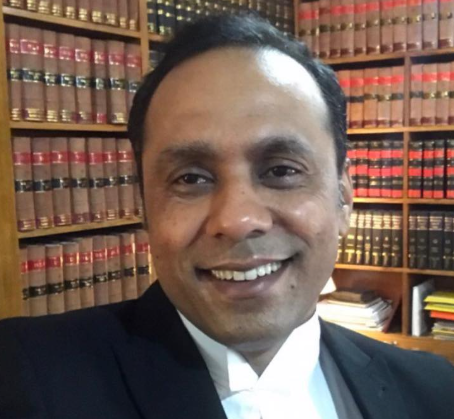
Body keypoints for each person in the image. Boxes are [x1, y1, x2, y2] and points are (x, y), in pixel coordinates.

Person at [1, 14, 453, 419]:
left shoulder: (435, 390)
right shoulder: (22, 377)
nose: (238, 220)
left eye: (281, 171)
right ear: (144, 207)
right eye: (191, 179)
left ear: (344, 198)